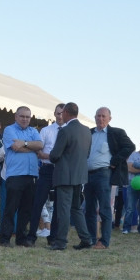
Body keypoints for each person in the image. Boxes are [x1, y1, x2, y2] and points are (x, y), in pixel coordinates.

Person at [84, 107, 133, 249]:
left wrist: (114, 161)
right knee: (89, 208)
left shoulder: (116, 133)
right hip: (88, 174)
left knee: (105, 208)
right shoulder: (90, 133)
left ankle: (104, 241)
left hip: (104, 174)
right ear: (94, 117)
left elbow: (130, 146)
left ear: (109, 118)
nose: (100, 119)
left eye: (103, 116)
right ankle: (91, 239)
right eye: (98, 116)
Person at [48, 102, 92, 251]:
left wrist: (49, 155)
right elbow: (87, 154)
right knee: (76, 208)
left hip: (64, 176)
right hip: (79, 175)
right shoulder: (87, 131)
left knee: (64, 209)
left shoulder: (65, 131)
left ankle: (61, 242)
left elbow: (54, 155)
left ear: (66, 112)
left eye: (62, 113)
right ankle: (86, 239)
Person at [0, 107, 43, 247]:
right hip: (15, 175)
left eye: (27, 117)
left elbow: (40, 145)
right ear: (16, 116)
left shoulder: (34, 131)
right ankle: (5, 238)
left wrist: (24, 143)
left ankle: (21, 238)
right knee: (11, 208)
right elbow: (15, 147)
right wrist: (32, 147)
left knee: (26, 209)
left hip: (31, 175)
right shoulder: (9, 130)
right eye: (22, 116)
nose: (25, 119)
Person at [27, 104, 64, 247]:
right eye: (58, 113)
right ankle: (31, 236)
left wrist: (48, 155)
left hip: (61, 170)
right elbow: (38, 150)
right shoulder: (46, 130)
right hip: (46, 169)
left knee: (58, 205)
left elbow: (64, 155)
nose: (60, 116)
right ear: (54, 113)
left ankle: (53, 237)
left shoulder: (68, 131)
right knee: (38, 203)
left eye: (62, 113)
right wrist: (49, 157)